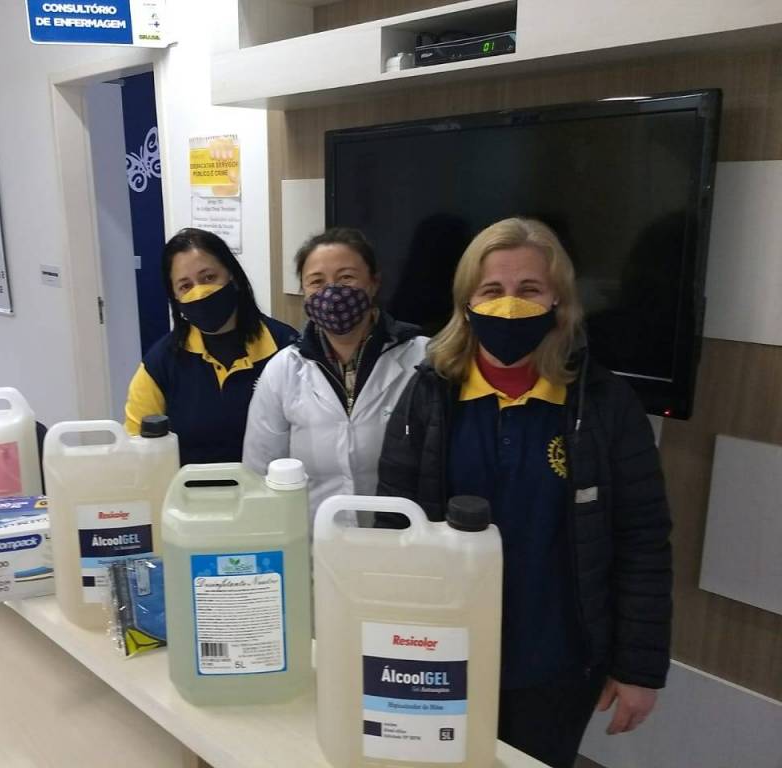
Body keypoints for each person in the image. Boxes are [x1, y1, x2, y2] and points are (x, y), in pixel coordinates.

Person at [376, 217, 672, 768]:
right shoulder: (428, 396)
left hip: (555, 663)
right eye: (492, 290)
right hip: (442, 652)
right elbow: (393, 532)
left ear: (559, 300)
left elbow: (643, 540)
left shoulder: (603, 403)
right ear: (467, 303)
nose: (509, 305)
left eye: (529, 289)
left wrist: (639, 668)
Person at [244, 227, 427, 519]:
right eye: (317, 282)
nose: (332, 292)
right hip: (312, 534)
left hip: (399, 532)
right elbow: (260, 468)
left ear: (374, 283)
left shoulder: (422, 358)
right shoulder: (283, 370)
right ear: (304, 292)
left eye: (346, 277)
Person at [124, 228, 297, 465]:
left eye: (208, 277)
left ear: (233, 277)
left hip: (269, 486)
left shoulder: (286, 348)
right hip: (186, 487)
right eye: (185, 286)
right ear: (175, 298)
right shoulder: (160, 363)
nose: (200, 292)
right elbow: (136, 449)